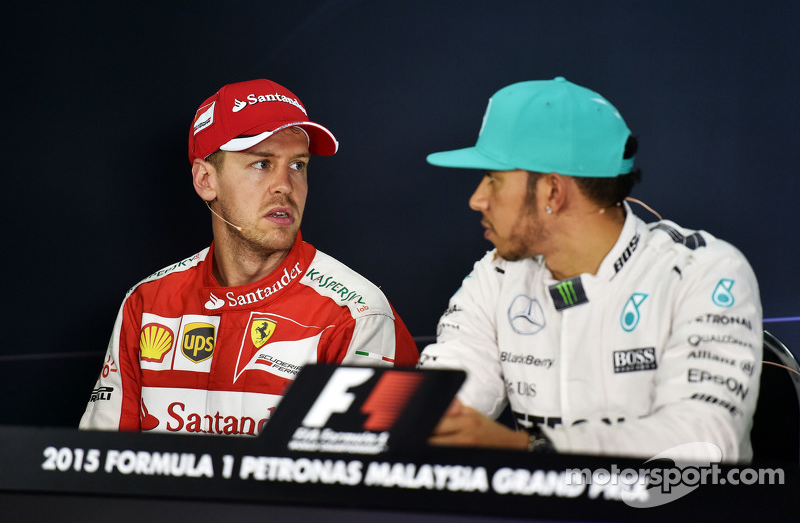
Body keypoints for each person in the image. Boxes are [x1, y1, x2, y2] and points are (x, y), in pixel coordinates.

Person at [419, 77, 762, 462]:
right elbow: (442, 398)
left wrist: (528, 448)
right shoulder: (496, 275)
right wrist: (422, 418)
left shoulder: (702, 271)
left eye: (493, 180)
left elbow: (704, 440)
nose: (476, 199)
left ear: (553, 191)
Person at [80, 79, 419, 435]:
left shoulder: (357, 315)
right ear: (206, 180)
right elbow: (102, 466)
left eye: (298, 165)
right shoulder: (147, 303)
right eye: (262, 163)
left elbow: (365, 483)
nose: (285, 185)